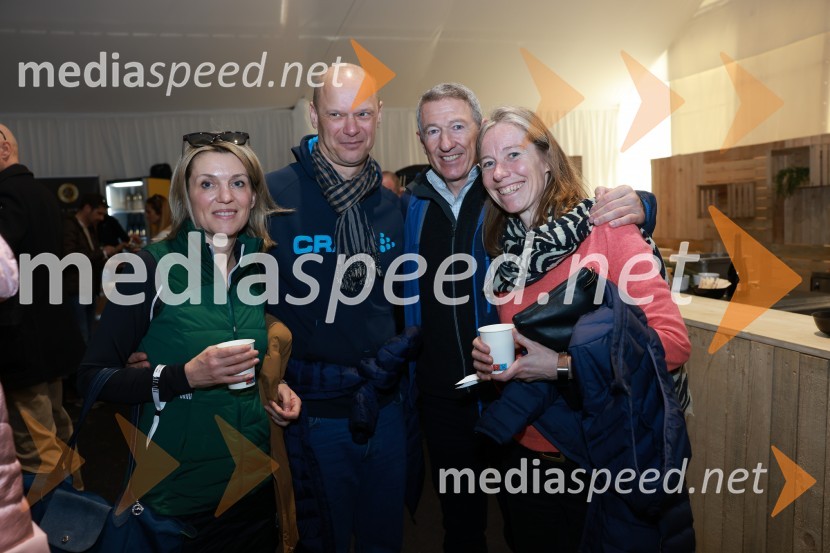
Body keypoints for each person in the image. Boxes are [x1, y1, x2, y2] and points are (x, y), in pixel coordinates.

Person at [403, 83, 656, 552]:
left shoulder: (500, 195)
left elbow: (582, 226)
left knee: (535, 525)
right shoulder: (413, 206)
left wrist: (642, 205)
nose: (446, 142)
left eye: (457, 126)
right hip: (446, 398)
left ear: (479, 129)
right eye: (433, 131)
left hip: (530, 406)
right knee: (466, 526)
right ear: (420, 139)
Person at [471, 107, 692, 551]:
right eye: (488, 162)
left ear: (547, 159)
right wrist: (496, 367)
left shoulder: (606, 230)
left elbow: (671, 345)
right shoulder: (504, 260)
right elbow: (528, 356)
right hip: (526, 454)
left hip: (598, 461)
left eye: (513, 154)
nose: (500, 173)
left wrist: (560, 365)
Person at [78, 132, 300, 552]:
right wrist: (184, 376)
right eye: (207, 183)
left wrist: (277, 384)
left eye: (238, 182)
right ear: (186, 196)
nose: (225, 196)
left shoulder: (257, 266)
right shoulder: (149, 268)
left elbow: (254, 349)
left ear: (253, 195)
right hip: (176, 499)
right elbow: (92, 378)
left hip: (252, 486)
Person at [265, 64, 421, 553]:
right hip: (310, 412)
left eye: (362, 114)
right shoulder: (272, 196)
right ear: (314, 116)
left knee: (385, 541)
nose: (351, 128)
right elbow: (227, 284)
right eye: (336, 114)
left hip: (385, 407)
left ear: (380, 114)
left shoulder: (393, 206)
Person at [0, 124, 84, 485]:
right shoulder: (42, 193)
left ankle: (65, 518)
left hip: (22, 336)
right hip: (49, 331)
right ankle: (81, 503)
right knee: (58, 428)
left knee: (36, 443)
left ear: (3, 149)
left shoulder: (7, 194)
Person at [63, 192, 128, 343]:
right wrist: (103, 252)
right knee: (82, 335)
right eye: (99, 213)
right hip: (77, 289)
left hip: (88, 289)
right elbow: (71, 257)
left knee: (90, 333)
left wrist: (109, 260)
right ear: (87, 208)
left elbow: (90, 257)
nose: (101, 218)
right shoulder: (70, 226)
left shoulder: (90, 228)